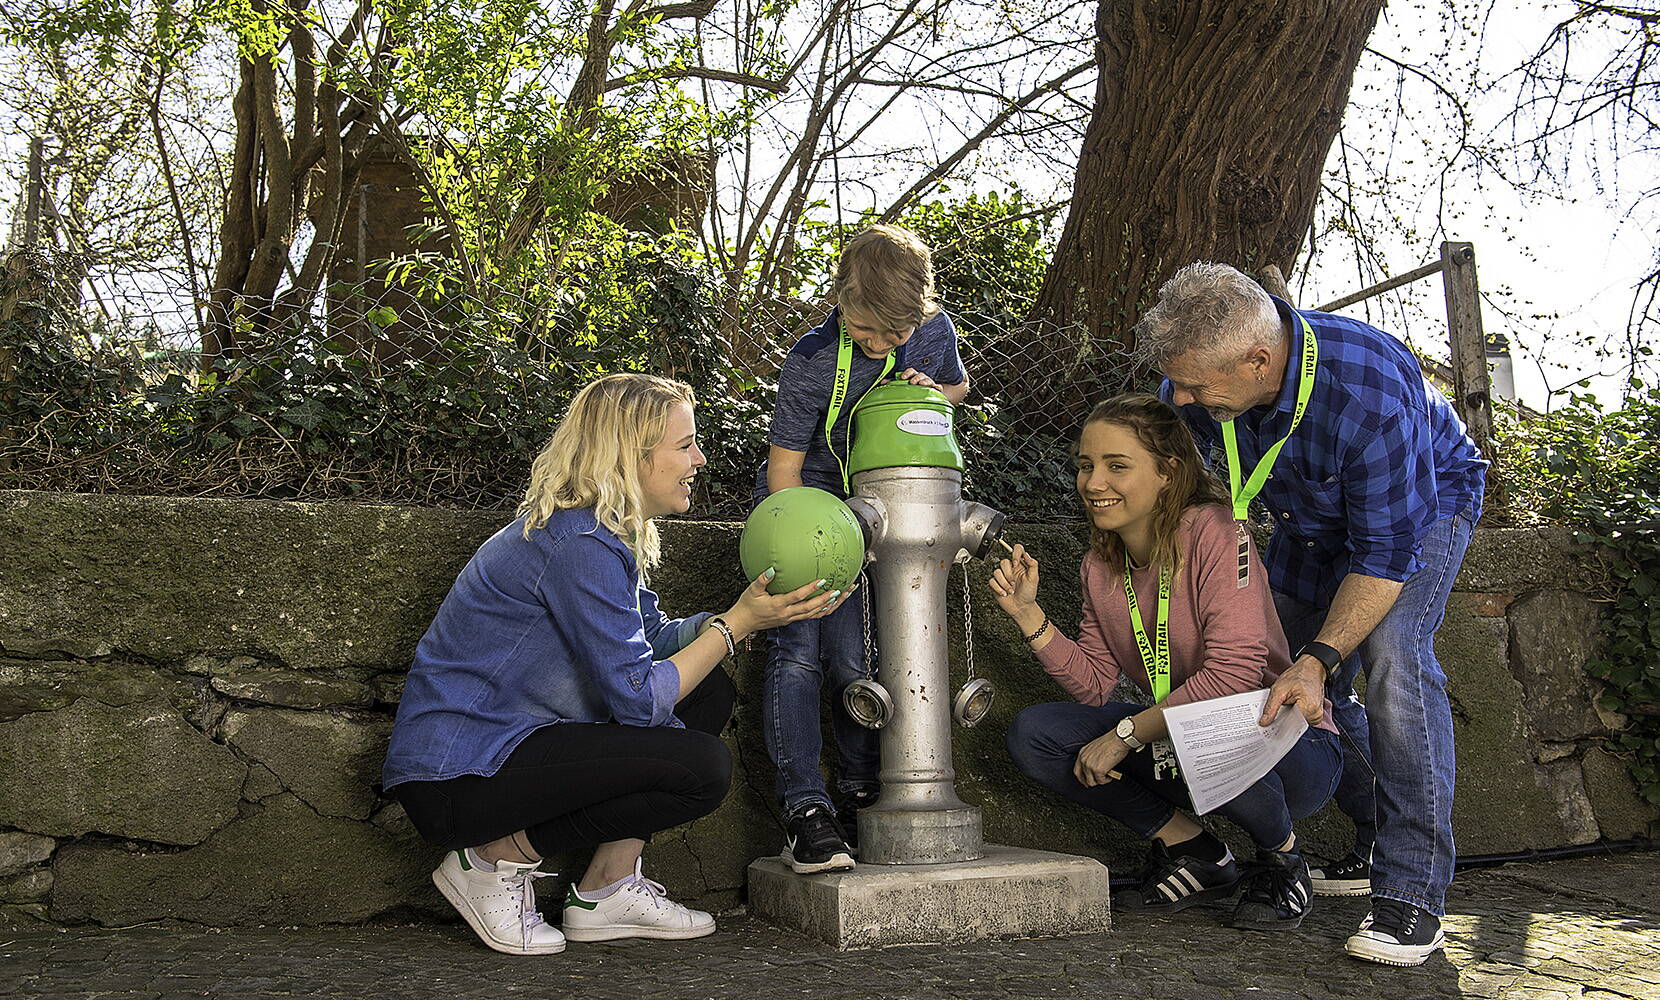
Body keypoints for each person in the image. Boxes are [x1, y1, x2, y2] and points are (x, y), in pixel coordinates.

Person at [382, 373, 842, 956]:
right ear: (631, 454)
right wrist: (735, 625)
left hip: (513, 748)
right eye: (685, 445)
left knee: (707, 694)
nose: (700, 459)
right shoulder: (578, 542)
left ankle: (606, 890)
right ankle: (490, 861)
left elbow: (654, 641)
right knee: (701, 769)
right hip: (461, 773)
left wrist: (747, 615)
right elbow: (638, 698)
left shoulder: (605, 533)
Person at [1144, 261, 1487, 966]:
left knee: (1394, 660)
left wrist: (1322, 656)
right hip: (1308, 520)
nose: (1181, 396)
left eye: (1198, 387)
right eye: (1177, 381)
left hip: (1422, 509)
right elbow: (1189, 489)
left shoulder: (1371, 390)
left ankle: (1413, 895)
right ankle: (1366, 836)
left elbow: (1386, 554)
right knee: (1281, 673)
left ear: (1258, 361)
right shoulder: (1198, 383)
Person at [997, 394, 1342, 930]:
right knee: (1037, 733)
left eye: (1117, 466)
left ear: (1167, 472)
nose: (1093, 483)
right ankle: (1198, 852)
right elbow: (1092, 686)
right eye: (1086, 465)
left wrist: (1128, 734)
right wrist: (1027, 614)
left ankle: (1285, 858)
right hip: (1179, 742)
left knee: (1209, 728)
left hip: (1288, 747)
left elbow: (1233, 676)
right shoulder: (1098, 565)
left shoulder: (1218, 531)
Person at [755, 224, 971, 873]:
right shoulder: (812, 358)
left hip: (892, 497)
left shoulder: (934, 331)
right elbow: (784, 473)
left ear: (920, 313)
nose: (877, 345)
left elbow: (958, 389)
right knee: (798, 649)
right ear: (841, 299)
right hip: (815, 505)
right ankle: (805, 810)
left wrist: (936, 390)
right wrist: (817, 551)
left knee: (859, 654)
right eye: (865, 332)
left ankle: (855, 790)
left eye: (892, 337)